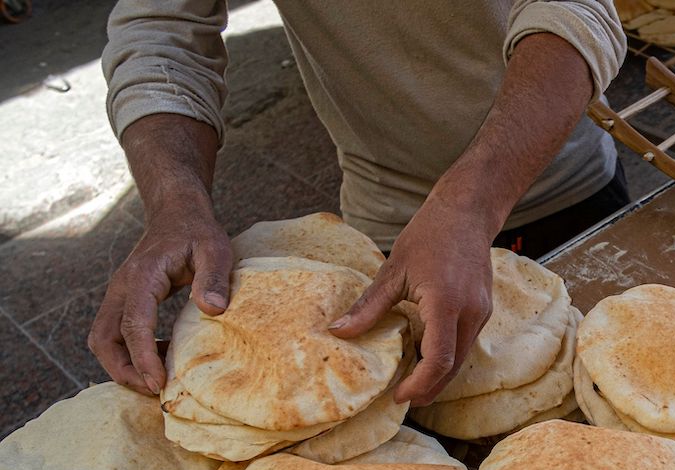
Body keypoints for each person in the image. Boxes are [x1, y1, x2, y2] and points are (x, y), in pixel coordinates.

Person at [90, 1, 628, 406]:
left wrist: (469, 204)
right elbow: (160, 32)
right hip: (387, 226)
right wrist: (174, 201)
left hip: (568, 184)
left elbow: (575, 8)